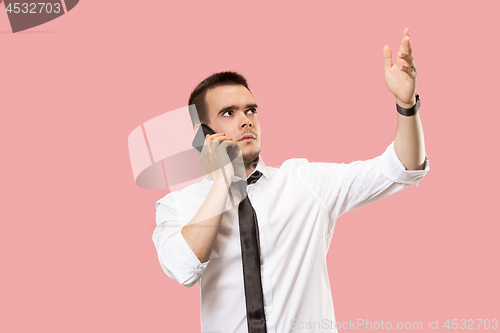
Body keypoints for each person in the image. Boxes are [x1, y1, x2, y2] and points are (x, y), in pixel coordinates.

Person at [152, 28, 429, 333]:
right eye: (229, 113)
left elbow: (402, 167)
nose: (246, 120)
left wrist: (407, 106)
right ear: (202, 134)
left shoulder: (304, 183)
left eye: (251, 110)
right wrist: (222, 183)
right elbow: (183, 268)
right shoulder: (178, 205)